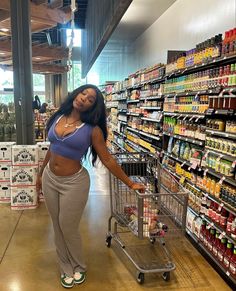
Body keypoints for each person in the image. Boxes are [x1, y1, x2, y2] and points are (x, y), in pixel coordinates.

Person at [36, 84, 145, 289]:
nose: (84, 98)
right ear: (77, 93)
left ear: (93, 107)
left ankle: (78, 265)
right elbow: (52, 148)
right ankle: (65, 266)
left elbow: (108, 160)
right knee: (57, 226)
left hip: (74, 183)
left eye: (90, 99)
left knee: (68, 226)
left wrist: (130, 183)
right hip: (50, 178)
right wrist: (41, 174)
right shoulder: (59, 116)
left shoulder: (92, 130)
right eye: (83, 93)